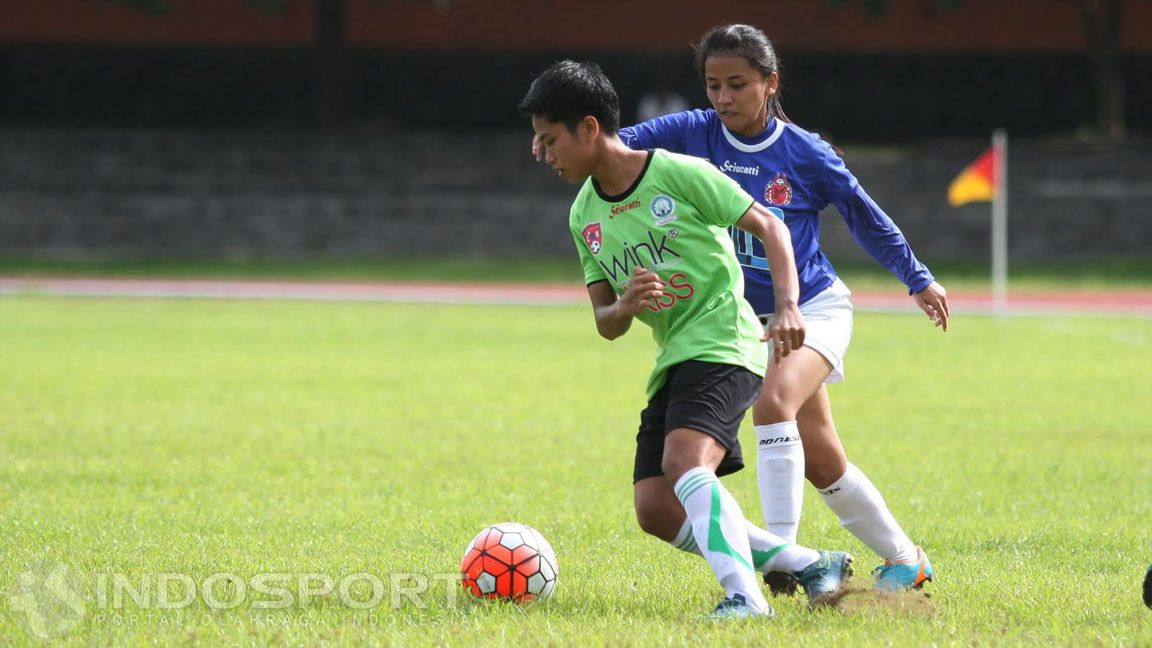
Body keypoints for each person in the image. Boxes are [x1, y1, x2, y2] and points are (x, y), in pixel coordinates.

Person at [535, 24, 947, 594]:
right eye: (712, 86)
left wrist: (916, 278)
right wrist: (549, 140)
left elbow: (862, 213)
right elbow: (610, 141)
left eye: (737, 85)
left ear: (769, 83)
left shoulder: (805, 152)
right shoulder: (692, 133)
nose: (723, 99)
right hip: (740, 320)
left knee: (774, 402)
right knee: (823, 460)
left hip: (809, 307)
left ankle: (788, 566)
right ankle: (907, 559)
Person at [519, 59, 852, 619]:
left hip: (725, 338)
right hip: (674, 355)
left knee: (686, 463)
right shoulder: (583, 214)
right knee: (655, 508)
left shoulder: (676, 172)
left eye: (550, 141)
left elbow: (770, 225)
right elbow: (606, 322)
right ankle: (810, 562)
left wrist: (790, 307)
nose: (545, 156)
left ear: (589, 128)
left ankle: (745, 598)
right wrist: (624, 303)